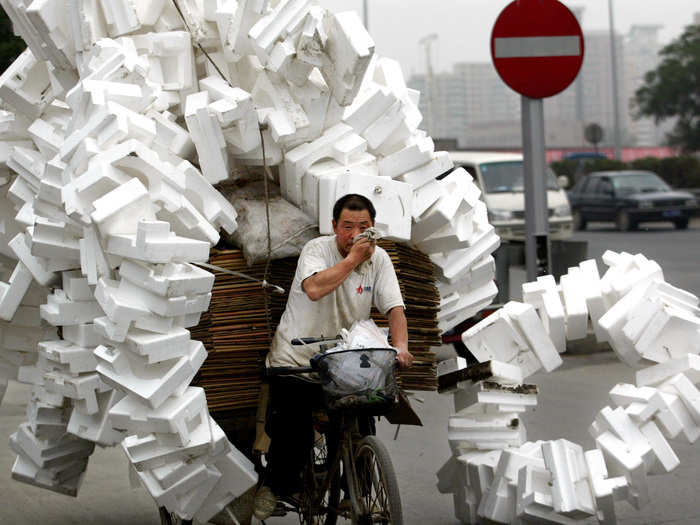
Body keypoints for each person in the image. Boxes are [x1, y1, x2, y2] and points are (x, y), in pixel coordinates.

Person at [254, 193, 413, 519]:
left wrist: (402, 347)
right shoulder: (317, 250)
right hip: (297, 358)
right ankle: (276, 485)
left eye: (364, 227)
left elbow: (395, 309)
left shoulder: (379, 259)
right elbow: (314, 289)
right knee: (293, 429)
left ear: (373, 228)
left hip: (345, 362)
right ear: (334, 227)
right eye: (347, 226)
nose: (355, 233)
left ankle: (352, 488)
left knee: (365, 417)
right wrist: (352, 259)